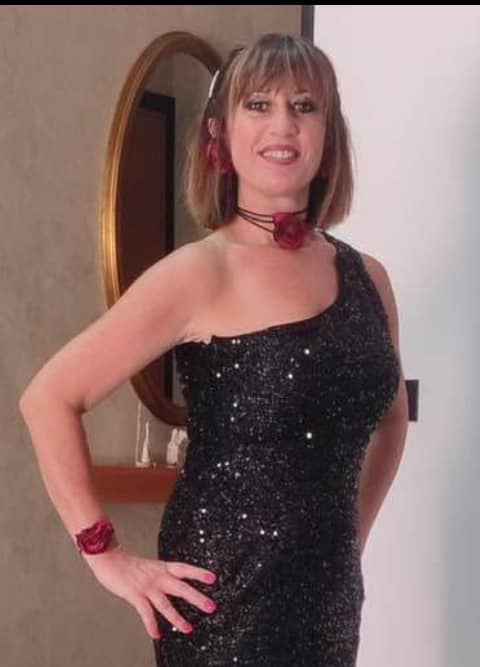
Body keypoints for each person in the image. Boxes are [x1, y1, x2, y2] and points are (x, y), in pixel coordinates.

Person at [19, 32, 409, 667]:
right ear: (219, 134)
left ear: (328, 134)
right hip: (222, 602)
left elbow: (392, 421)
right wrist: (105, 554)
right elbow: (48, 399)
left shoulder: (370, 278)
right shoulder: (199, 273)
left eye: (304, 106)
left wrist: (350, 542)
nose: (283, 125)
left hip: (331, 604)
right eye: (258, 105)